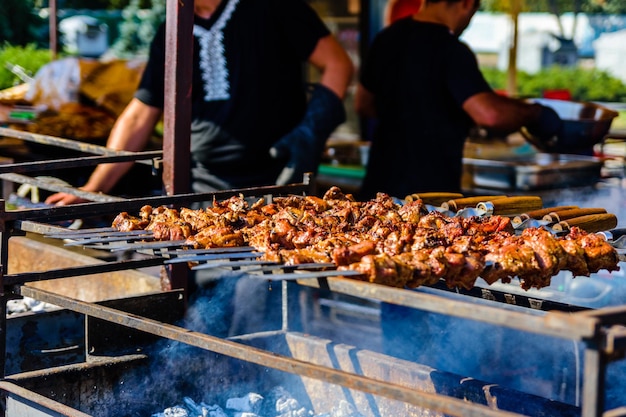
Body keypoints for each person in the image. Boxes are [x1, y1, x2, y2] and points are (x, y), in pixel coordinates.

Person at [45, 0, 354, 206]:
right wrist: (93, 188)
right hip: (202, 186)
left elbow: (337, 64)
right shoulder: (172, 30)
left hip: (279, 181)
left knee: (270, 294)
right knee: (211, 298)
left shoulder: (273, 5)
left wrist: (309, 133)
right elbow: (140, 114)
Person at [354, 0, 562, 200]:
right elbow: (490, 114)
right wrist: (534, 113)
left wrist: (406, 114)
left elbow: (362, 103)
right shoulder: (450, 50)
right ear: (467, 3)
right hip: (428, 200)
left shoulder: (386, 39)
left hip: (377, 193)